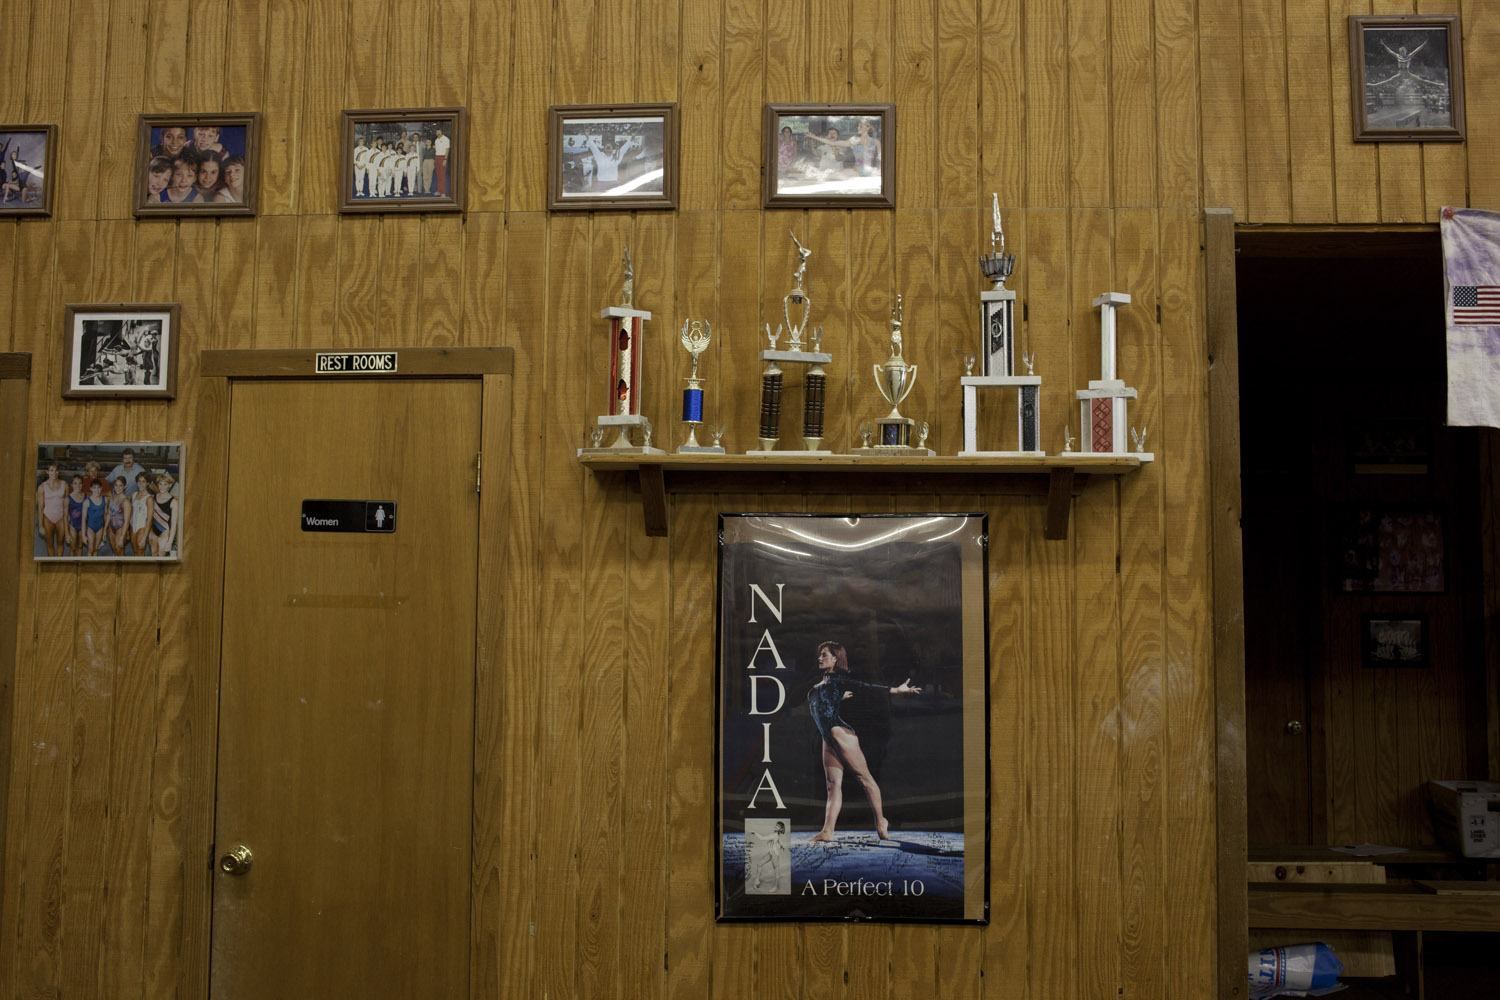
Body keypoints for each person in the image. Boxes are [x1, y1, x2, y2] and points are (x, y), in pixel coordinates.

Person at [806, 641, 920, 842]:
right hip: (827, 737)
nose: (820, 658)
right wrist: (838, 699)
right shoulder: (819, 686)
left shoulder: (839, 681)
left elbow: (868, 688)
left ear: (835, 659)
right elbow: (823, 705)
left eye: (824, 655)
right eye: (820, 655)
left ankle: (881, 821)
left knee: (865, 780)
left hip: (840, 733)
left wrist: (897, 690)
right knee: (833, 785)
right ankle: (827, 831)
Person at [36, 464, 67, 556]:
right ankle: (51, 563)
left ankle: (59, 563)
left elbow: (67, 505)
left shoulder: (64, 484)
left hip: (61, 518)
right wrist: (41, 525)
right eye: (51, 470)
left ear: (58, 472)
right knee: (50, 544)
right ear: (47, 472)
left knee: (60, 542)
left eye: (56, 470)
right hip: (48, 518)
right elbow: (40, 507)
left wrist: (67, 519)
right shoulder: (42, 487)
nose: (54, 473)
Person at [149, 473, 179, 556]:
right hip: (153, 530)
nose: (162, 487)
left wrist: (170, 542)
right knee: (154, 554)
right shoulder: (153, 497)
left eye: (165, 484)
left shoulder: (173, 502)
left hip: (165, 531)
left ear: (169, 485)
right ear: (157, 485)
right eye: (160, 484)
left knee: (161, 556)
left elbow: (174, 524)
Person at [130, 471, 155, 557]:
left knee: (140, 551)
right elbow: (130, 513)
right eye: (139, 481)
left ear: (147, 483)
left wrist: (144, 537)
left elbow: (149, 519)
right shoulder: (133, 495)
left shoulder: (149, 498)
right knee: (135, 551)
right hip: (133, 527)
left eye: (143, 481)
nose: (141, 484)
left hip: (142, 527)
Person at [82, 479, 108, 556]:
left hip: (100, 527)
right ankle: (87, 567)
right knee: (90, 548)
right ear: (91, 488)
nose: (96, 490)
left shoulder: (105, 500)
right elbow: (83, 520)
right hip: (90, 527)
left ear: (101, 488)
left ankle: (93, 566)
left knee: (96, 548)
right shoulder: (87, 502)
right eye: (94, 487)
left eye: (98, 487)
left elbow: (106, 515)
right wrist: (83, 535)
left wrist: (105, 530)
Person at [106, 476, 130, 556]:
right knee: (115, 552)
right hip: (111, 528)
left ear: (124, 486)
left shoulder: (126, 501)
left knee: (120, 551)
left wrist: (122, 537)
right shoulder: (112, 497)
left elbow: (126, 521)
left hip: (120, 528)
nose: (118, 488)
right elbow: (109, 514)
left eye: (120, 485)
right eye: (116, 485)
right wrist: (104, 530)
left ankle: (123, 568)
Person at [65, 474, 86, 556]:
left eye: (80, 483)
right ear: (71, 485)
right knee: (72, 547)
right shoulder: (67, 499)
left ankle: (79, 565)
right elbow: (65, 517)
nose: (78, 485)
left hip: (82, 525)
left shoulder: (85, 497)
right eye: (75, 483)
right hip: (72, 525)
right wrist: (66, 533)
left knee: (80, 546)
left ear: (82, 485)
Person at [433, 126, 449, 195]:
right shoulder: (436, 140)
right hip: (437, 157)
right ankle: (439, 191)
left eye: (439, 132)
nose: (438, 133)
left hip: (443, 157)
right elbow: (436, 150)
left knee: (442, 175)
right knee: (438, 175)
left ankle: (443, 193)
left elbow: (447, 149)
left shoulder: (446, 139)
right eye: (437, 132)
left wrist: (445, 159)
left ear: (442, 132)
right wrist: (435, 159)